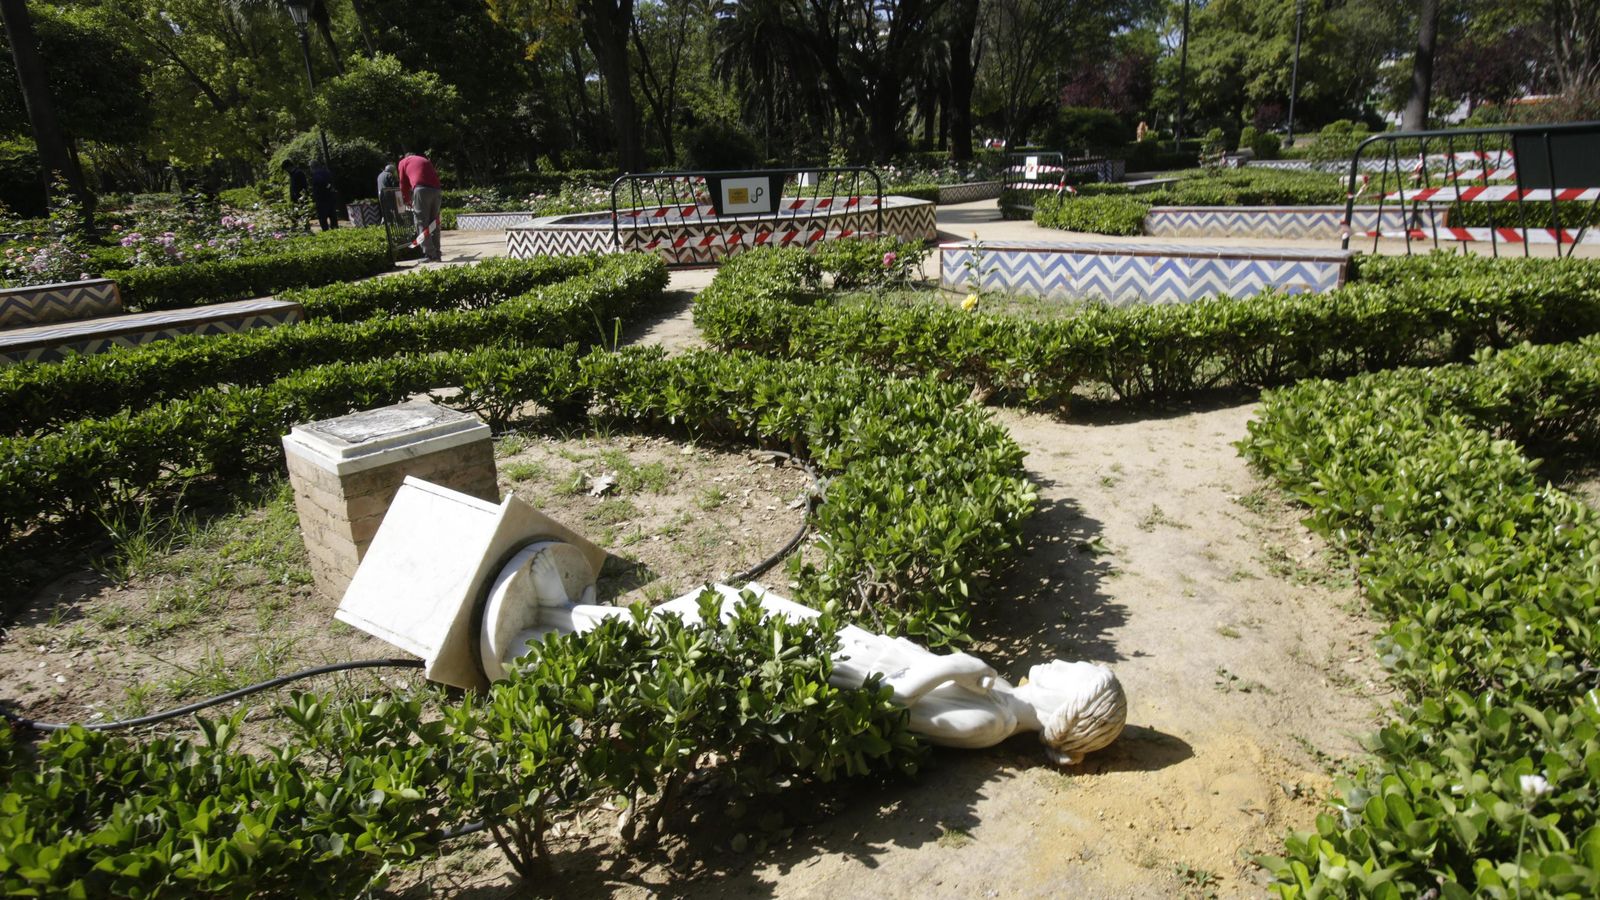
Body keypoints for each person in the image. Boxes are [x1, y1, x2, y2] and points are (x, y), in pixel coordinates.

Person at [397, 148, 442, 262]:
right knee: (434, 222)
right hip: (437, 190)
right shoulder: (423, 159)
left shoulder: (403, 162)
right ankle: (437, 252)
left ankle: (429, 254)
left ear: (405, 156)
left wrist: (406, 200)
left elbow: (403, 183)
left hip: (421, 190)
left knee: (421, 222)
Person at [310, 160, 339, 231]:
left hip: (321, 199)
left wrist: (326, 185)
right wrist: (329, 187)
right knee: (333, 216)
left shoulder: (316, 174)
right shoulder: (327, 172)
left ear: (312, 167)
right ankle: (335, 230)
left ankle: (326, 232)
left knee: (323, 218)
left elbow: (321, 181)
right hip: (330, 197)